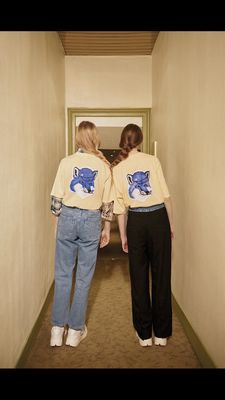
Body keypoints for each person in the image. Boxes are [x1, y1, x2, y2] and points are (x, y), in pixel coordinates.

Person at [50, 121, 113, 347]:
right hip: (91, 220)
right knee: (84, 277)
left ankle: (57, 331)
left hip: (67, 216)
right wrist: (106, 229)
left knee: (63, 274)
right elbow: (108, 203)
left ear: (78, 138)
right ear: (95, 138)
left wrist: (56, 227)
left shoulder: (66, 162)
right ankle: (75, 332)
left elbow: (56, 199)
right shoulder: (103, 166)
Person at [111, 124, 174, 347]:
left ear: (123, 140)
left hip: (136, 222)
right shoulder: (152, 160)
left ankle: (144, 334)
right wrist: (171, 225)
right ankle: (162, 334)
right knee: (162, 277)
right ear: (140, 140)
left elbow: (120, 207)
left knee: (138, 279)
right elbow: (166, 196)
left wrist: (125, 235)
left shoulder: (117, 168)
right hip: (158, 219)